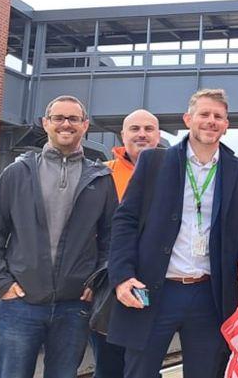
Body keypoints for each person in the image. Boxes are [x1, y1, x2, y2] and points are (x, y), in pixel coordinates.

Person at [107, 89, 238, 378]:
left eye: (218, 116)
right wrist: (121, 276)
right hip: (154, 289)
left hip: (209, 294)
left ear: (227, 124)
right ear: (188, 119)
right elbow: (125, 221)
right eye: (204, 114)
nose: (211, 121)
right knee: (138, 371)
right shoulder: (154, 162)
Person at [0, 95, 118, 378]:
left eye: (73, 119)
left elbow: (111, 239)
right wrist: (3, 284)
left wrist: (98, 280)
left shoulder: (100, 179)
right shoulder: (17, 173)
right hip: (21, 304)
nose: (66, 124)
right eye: (58, 118)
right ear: (46, 123)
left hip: (74, 306)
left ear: (85, 125)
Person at [93, 109, 160, 378]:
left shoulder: (175, 172)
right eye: (134, 129)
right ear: (123, 135)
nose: (141, 134)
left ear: (157, 135)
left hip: (157, 283)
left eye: (148, 129)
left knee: (146, 364)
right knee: (109, 363)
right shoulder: (102, 174)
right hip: (111, 284)